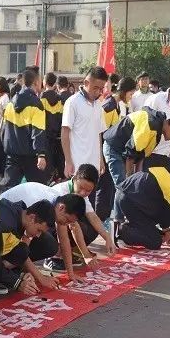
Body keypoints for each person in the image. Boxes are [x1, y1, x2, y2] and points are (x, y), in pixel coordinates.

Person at [0, 183, 87, 283]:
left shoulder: (58, 205)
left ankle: (14, 267)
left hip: (17, 219)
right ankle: (2, 271)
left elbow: (64, 240)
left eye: (70, 222)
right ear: (61, 208)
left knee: (50, 245)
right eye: (67, 219)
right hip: (4, 218)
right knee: (24, 249)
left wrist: (70, 273)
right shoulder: (40, 206)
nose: (66, 224)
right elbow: (22, 247)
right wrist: (40, 278)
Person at [61, 66, 113, 226]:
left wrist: (101, 159)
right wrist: (68, 160)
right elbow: (65, 132)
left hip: (93, 164)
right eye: (95, 87)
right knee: (73, 207)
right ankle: (70, 243)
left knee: (87, 204)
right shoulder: (73, 102)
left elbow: (98, 134)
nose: (98, 91)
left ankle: (81, 242)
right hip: (77, 164)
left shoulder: (98, 106)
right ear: (86, 82)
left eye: (101, 88)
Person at [0, 198, 57, 296]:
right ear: (32, 218)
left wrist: (23, 274)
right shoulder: (5, 225)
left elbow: (17, 251)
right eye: (39, 230)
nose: (38, 235)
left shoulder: (19, 215)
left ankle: (2, 277)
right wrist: (17, 283)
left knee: (22, 251)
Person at [103, 107, 170, 191]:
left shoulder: (157, 132)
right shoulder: (150, 125)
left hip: (124, 152)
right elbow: (131, 154)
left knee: (127, 187)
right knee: (123, 187)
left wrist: (137, 178)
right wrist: (130, 178)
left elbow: (141, 156)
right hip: (114, 147)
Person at [52, 163, 116, 265]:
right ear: (75, 178)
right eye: (81, 188)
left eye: (88, 191)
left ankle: (71, 250)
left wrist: (107, 238)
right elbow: (71, 227)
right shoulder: (61, 192)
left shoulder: (81, 196)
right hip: (50, 227)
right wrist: (86, 255)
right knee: (72, 225)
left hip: (61, 226)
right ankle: (55, 256)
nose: (83, 193)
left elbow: (93, 217)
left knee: (93, 227)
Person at [2, 69, 48, 186]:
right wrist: (41, 154)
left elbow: (3, 131)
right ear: (36, 82)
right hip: (30, 156)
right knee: (38, 192)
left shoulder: (11, 103)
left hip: (12, 155)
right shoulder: (37, 104)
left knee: (10, 193)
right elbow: (38, 132)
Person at [41, 72, 64, 181]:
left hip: (45, 134)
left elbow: (41, 117)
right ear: (55, 84)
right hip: (56, 134)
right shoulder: (59, 99)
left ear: (44, 82)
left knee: (47, 157)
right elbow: (61, 116)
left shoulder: (42, 98)